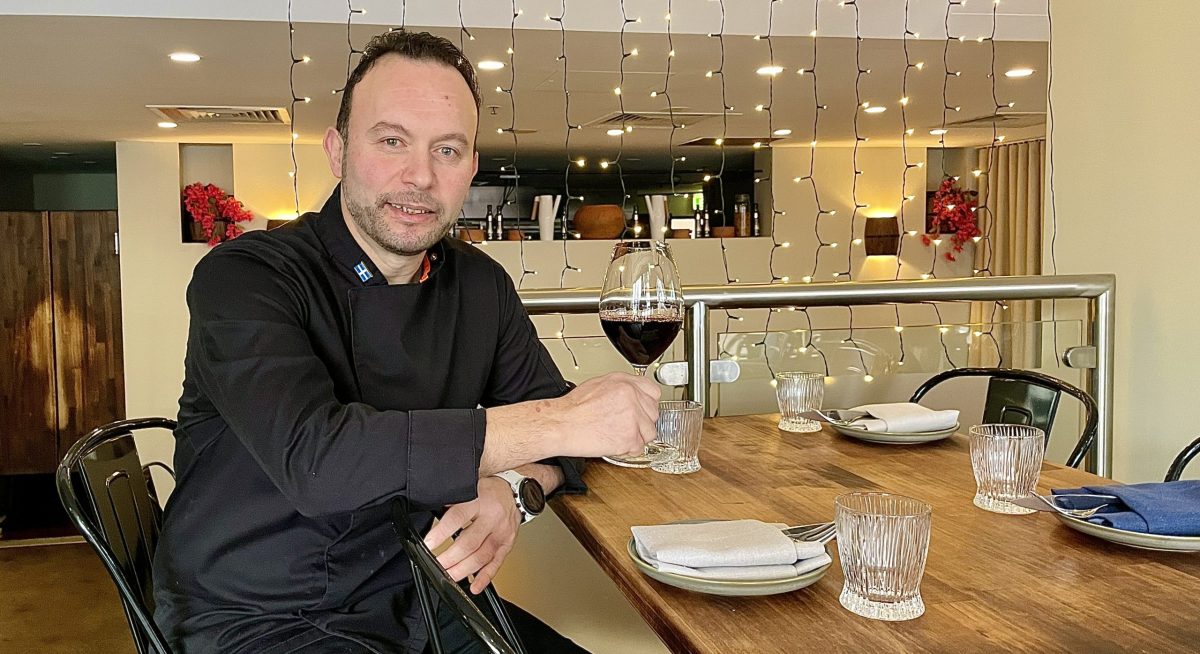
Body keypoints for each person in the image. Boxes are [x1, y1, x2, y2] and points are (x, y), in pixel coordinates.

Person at [153, 29, 661, 654]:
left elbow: (563, 436)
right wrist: (557, 422)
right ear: (337, 151)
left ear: (471, 167)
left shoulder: (478, 286)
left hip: (422, 598)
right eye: (391, 141)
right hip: (256, 615)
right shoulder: (245, 277)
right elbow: (320, 461)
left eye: (447, 150)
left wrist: (514, 491)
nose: (419, 176)